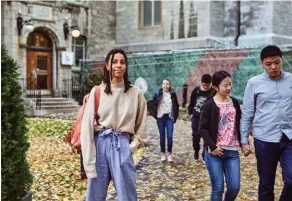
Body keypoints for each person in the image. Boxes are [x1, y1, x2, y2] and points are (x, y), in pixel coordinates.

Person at [81, 48, 148, 201]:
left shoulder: (135, 93)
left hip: (122, 144)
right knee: (95, 197)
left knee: (128, 196)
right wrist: (89, 162)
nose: (119, 65)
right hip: (101, 145)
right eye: (115, 62)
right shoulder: (97, 91)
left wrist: (132, 146)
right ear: (107, 65)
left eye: (122, 62)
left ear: (126, 66)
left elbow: (142, 125)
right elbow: (86, 128)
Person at [240, 45, 292, 201]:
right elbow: (247, 113)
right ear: (262, 64)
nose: (274, 67)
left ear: (282, 60)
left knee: (291, 181)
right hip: (264, 140)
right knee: (265, 184)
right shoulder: (254, 83)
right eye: (269, 64)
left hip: (289, 138)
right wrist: (244, 140)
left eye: (277, 62)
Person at [200, 71, 242, 201]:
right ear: (216, 87)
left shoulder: (234, 102)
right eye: (225, 85)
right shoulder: (209, 105)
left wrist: (244, 142)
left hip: (232, 152)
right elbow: (202, 128)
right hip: (214, 153)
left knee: (234, 187)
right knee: (217, 188)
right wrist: (212, 147)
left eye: (230, 84)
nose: (229, 87)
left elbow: (239, 124)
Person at [150, 79, 179, 162]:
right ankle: (163, 153)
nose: (166, 85)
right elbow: (153, 104)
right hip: (160, 117)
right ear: (162, 85)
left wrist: (175, 116)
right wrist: (155, 115)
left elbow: (176, 105)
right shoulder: (158, 93)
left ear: (169, 85)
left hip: (169, 117)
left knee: (170, 137)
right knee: (162, 137)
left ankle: (169, 153)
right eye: (164, 84)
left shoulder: (172, 94)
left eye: (167, 84)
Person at [188, 74, 212, 160]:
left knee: (207, 137)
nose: (205, 87)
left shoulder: (212, 92)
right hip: (196, 117)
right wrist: (191, 114)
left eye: (207, 85)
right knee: (196, 136)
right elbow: (191, 103)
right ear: (201, 82)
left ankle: (204, 154)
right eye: (204, 85)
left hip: (207, 119)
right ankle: (196, 151)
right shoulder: (196, 90)